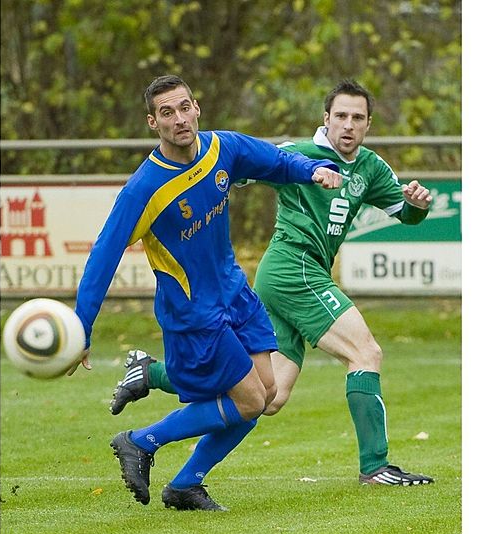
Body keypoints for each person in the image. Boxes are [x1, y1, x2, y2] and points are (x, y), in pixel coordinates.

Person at [108, 79, 435, 487]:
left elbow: (405, 213)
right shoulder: (299, 153)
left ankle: (154, 382)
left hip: (299, 277)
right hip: (293, 269)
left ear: (368, 124)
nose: (348, 125)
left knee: (269, 396)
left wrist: (418, 207)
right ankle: (376, 466)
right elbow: (238, 167)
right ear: (326, 119)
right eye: (341, 116)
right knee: (365, 352)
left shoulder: (370, 167)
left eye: (357, 118)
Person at [69, 74, 344, 511]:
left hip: (235, 293)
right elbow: (104, 256)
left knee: (267, 395)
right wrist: (81, 326)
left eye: (184, 107)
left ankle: (184, 483)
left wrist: (313, 170)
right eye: (167, 113)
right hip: (194, 312)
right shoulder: (144, 188)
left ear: (196, 108)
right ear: (153, 123)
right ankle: (140, 441)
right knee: (248, 401)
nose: (179, 119)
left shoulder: (222, 148)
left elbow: (275, 161)